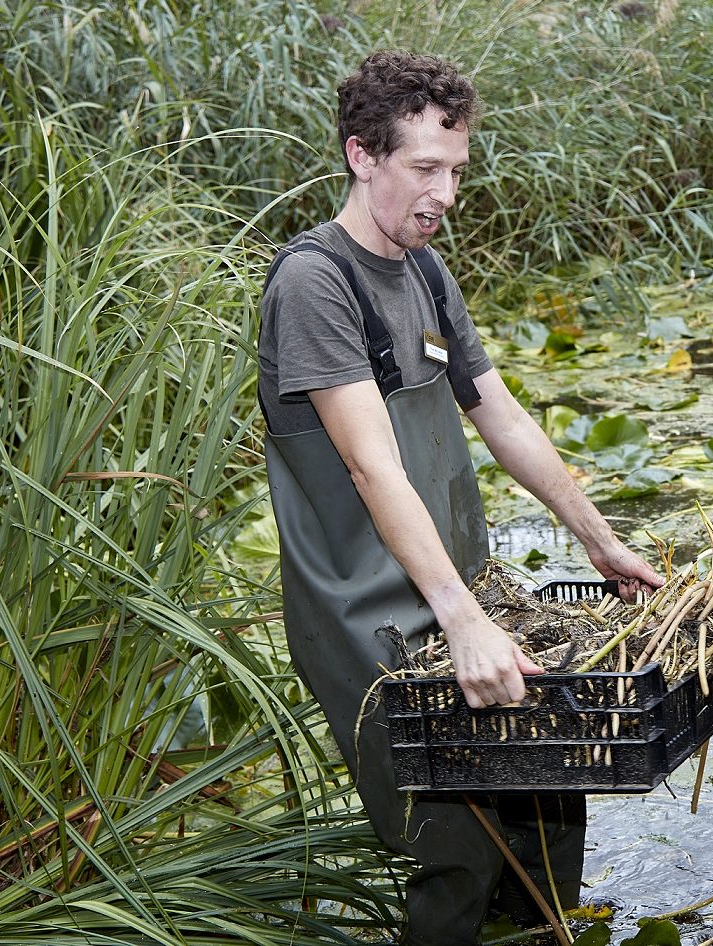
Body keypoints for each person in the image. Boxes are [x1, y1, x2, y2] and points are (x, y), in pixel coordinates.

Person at [258, 51, 664, 945]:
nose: (445, 194)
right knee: (458, 848)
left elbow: (500, 413)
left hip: (455, 588)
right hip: (370, 616)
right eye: (424, 170)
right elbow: (373, 469)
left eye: (456, 172)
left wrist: (596, 538)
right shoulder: (314, 283)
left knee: (547, 803)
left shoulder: (425, 271)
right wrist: (462, 622)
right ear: (362, 156)